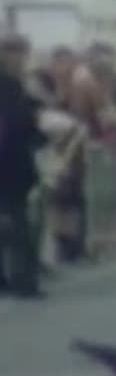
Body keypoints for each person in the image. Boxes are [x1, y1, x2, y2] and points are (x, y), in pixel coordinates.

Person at [0, 34, 46, 296]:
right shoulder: (10, 85)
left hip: (9, 162)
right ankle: (24, 281)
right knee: (18, 225)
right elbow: (19, 123)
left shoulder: (15, 84)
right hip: (11, 163)